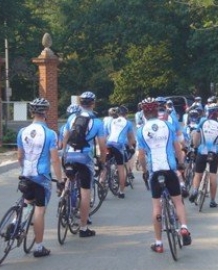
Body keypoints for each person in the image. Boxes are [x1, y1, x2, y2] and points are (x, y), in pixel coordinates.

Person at [137, 97, 192, 253]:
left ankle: (159, 243)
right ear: (157, 110)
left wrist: (144, 171)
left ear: (143, 113)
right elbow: (177, 147)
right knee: (178, 201)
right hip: (170, 168)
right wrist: (181, 163)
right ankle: (183, 227)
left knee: (156, 206)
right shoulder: (168, 125)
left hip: (155, 170)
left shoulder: (141, 130)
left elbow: (141, 155)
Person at [17, 98, 64, 257]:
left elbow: (19, 157)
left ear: (32, 112)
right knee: (39, 210)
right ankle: (39, 247)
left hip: (26, 174)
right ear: (46, 112)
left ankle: (13, 225)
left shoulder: (22, 131)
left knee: (26, 202)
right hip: (41, 176)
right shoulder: (50, 134)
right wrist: (60, 180)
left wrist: (25, 169)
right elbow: (55, 160)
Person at [63, 91, 107, 237]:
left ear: (80, 103)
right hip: (84, 156)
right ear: (93, 104)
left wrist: (64, 155)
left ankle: (65, 197)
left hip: (69, 154)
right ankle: (83, 227)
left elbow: (65, 138)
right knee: (85, 191)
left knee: (69, 177)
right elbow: (102, 146)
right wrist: (102, 163)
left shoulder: (71, 118)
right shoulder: (98, 122)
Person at [189, 103, 218, 208]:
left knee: (198, 173)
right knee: (213, 174)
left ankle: (195, 191)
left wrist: (195, 147)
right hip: (214, 152)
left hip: (202, 151)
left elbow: (196, 136)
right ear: (217, 112)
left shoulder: (202, 122)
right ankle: (213, 200)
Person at [105, 105, 136, 198]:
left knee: (105, 164)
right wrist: (131, 146)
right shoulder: (128, 123)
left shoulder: (112, 121)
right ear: (126, 114)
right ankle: (121, 191)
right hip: (118, 146)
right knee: (121, 168)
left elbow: (108, 133)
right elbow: (131, 138)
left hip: (109, 144)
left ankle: (102, 181)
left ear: (118, 114)